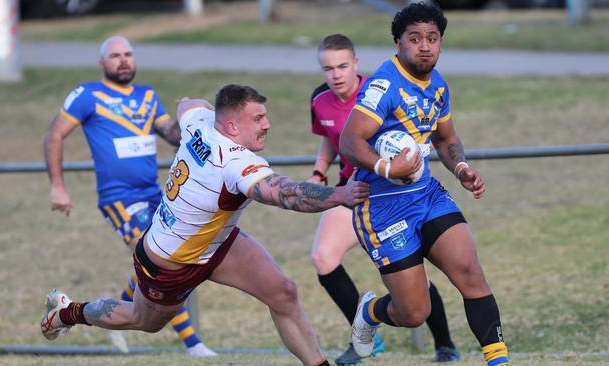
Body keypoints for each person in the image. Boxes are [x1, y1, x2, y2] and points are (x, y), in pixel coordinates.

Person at [41, 84, 370, 366]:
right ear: (230, 126)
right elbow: (284, 194)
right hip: (169, 262)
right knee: (142, 320)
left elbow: (189, 103)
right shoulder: (236, 163)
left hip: (217, 243)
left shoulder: (200, 122)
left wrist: (197, 104)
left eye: (264, 116)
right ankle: (68, 312)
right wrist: (337, 194)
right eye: (257, 119)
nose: (267, 125)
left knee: (283, 293)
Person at [339, 3, 509, 366]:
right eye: (415, 39)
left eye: (432, 38)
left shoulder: (438, 85)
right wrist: (387, 166)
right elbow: (349, 142)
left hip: (428, 196)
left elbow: (446, 138)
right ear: (398, 42)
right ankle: (370, 311)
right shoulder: (384, 85)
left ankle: (499, 361)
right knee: (414, 312)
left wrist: (461, 168)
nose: (425, 46)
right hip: (383, 207)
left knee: (470, 272)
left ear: (441, 43)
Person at [43, 35, 216, 357]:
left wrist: (194, 115)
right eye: (115, 55)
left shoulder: (147, 96)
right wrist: (58, 186)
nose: (123, 60)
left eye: (128, 54)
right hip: (119, 198)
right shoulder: (88, 95)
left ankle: (112, 316)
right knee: (163, 263)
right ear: (101, 63)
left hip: (156, 194)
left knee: (163, 260)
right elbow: (54, 134)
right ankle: (194, 344)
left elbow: (174, 136)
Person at [308, 34, 461, 364]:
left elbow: (422, 127)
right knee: (323, 258)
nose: (336, 75)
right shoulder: (319, 101)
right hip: (354, 190)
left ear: (356, 64)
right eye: (328, 68)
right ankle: (365, 331)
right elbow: (331, 139)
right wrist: (320, 173)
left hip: (398, 193)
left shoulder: (378, 89)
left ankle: (445, 344)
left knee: (413, 269)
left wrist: (418, 152)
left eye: (342, 66)